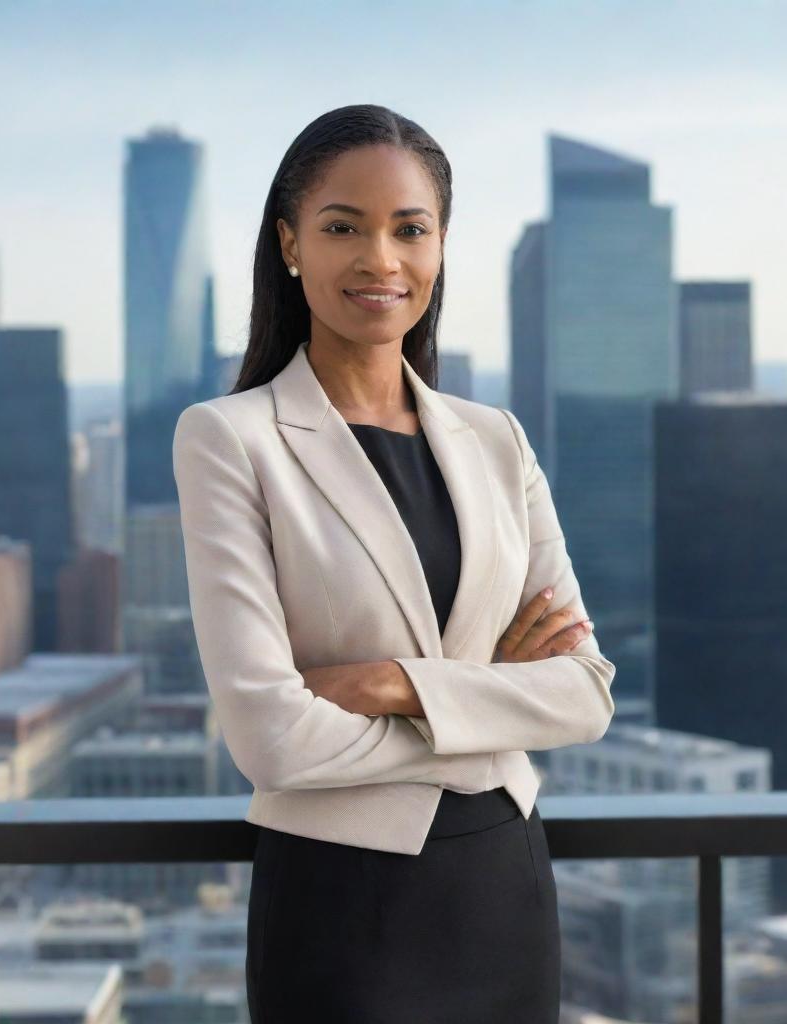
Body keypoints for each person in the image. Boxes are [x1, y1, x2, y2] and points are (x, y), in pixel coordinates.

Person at [172, 103, 616, 1023]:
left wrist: (392, 683)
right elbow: (270, 737)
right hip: (342, 905)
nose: (382, 258)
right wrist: (482, 698)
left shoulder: (497, 441)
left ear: (441, 246)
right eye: (344, 228)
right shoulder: (231, 439)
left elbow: (585, 692)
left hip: (504, 885)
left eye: (410, 229)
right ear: (291, 244)